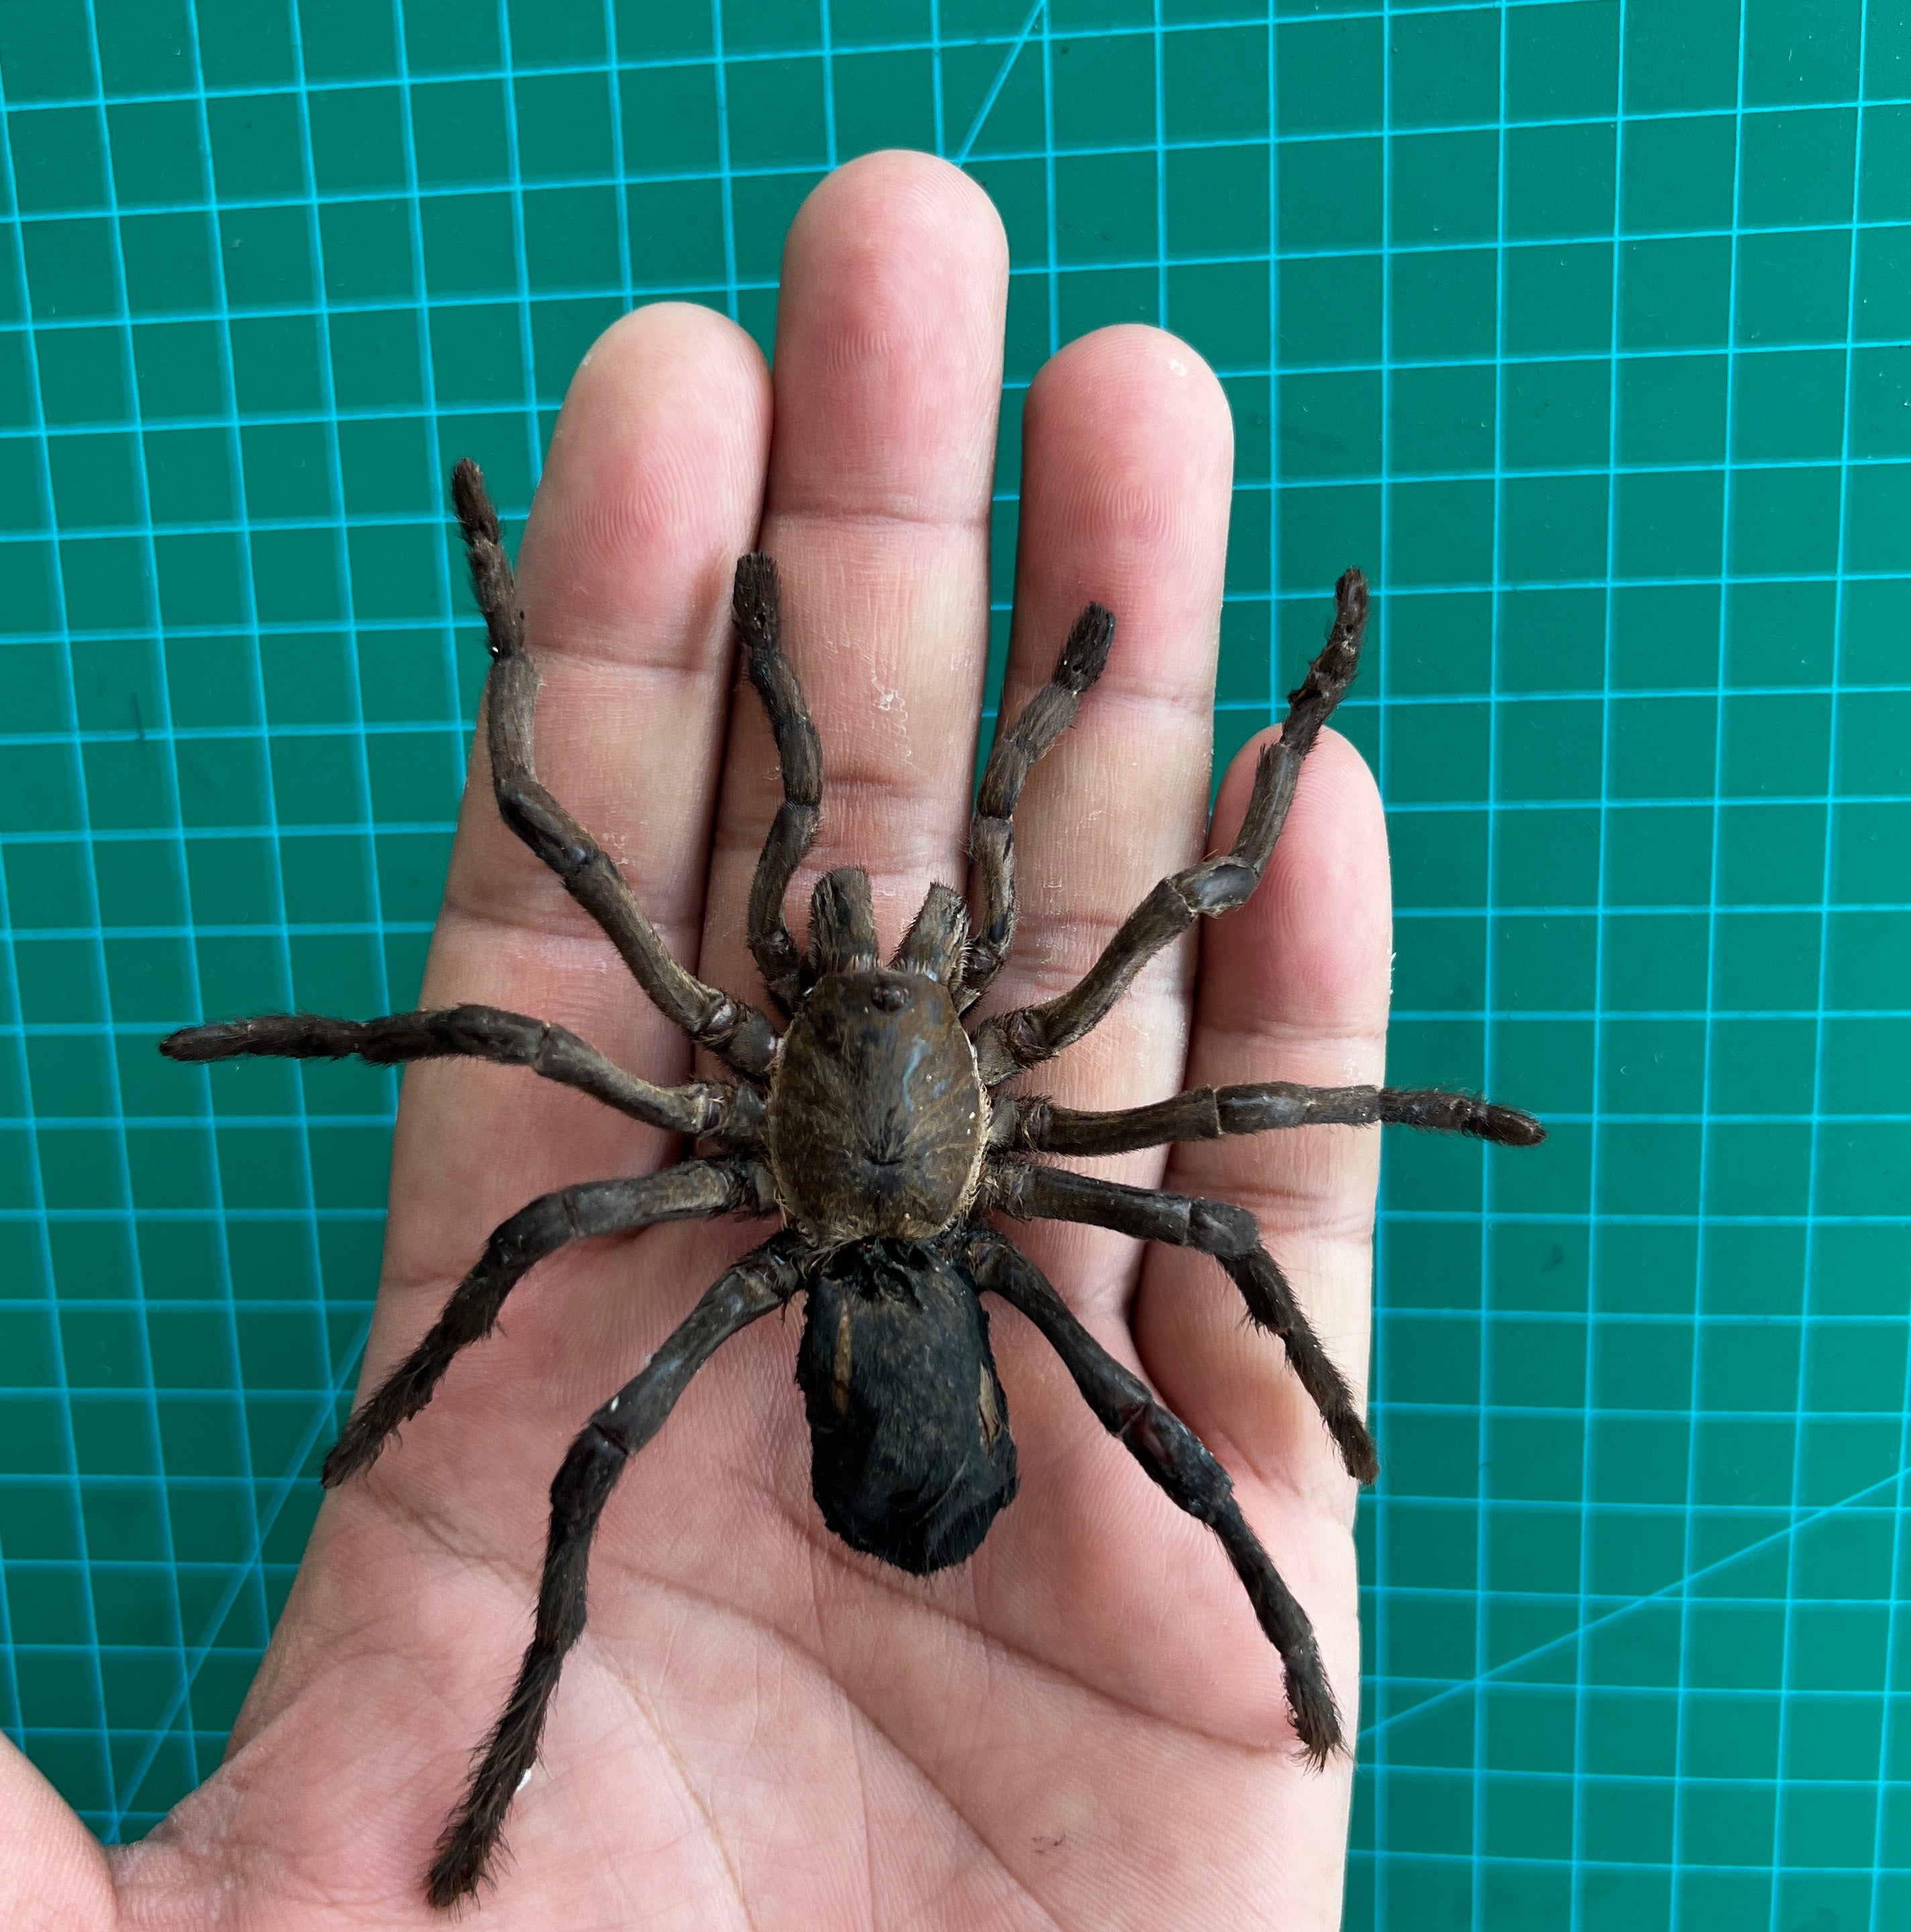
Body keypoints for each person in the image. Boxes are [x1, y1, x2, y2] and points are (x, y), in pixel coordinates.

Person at [3, 150, 1388, 1929]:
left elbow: (548, 830)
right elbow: (1173, 953)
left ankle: (1270, 1639)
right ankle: (1279, 1649)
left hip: (877, 1272)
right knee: (1199, 1222)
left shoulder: (754, 1036)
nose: (875, 941)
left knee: (565, 1157)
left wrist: (1274, 732)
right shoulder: (994, 1038)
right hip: (914, 1270)